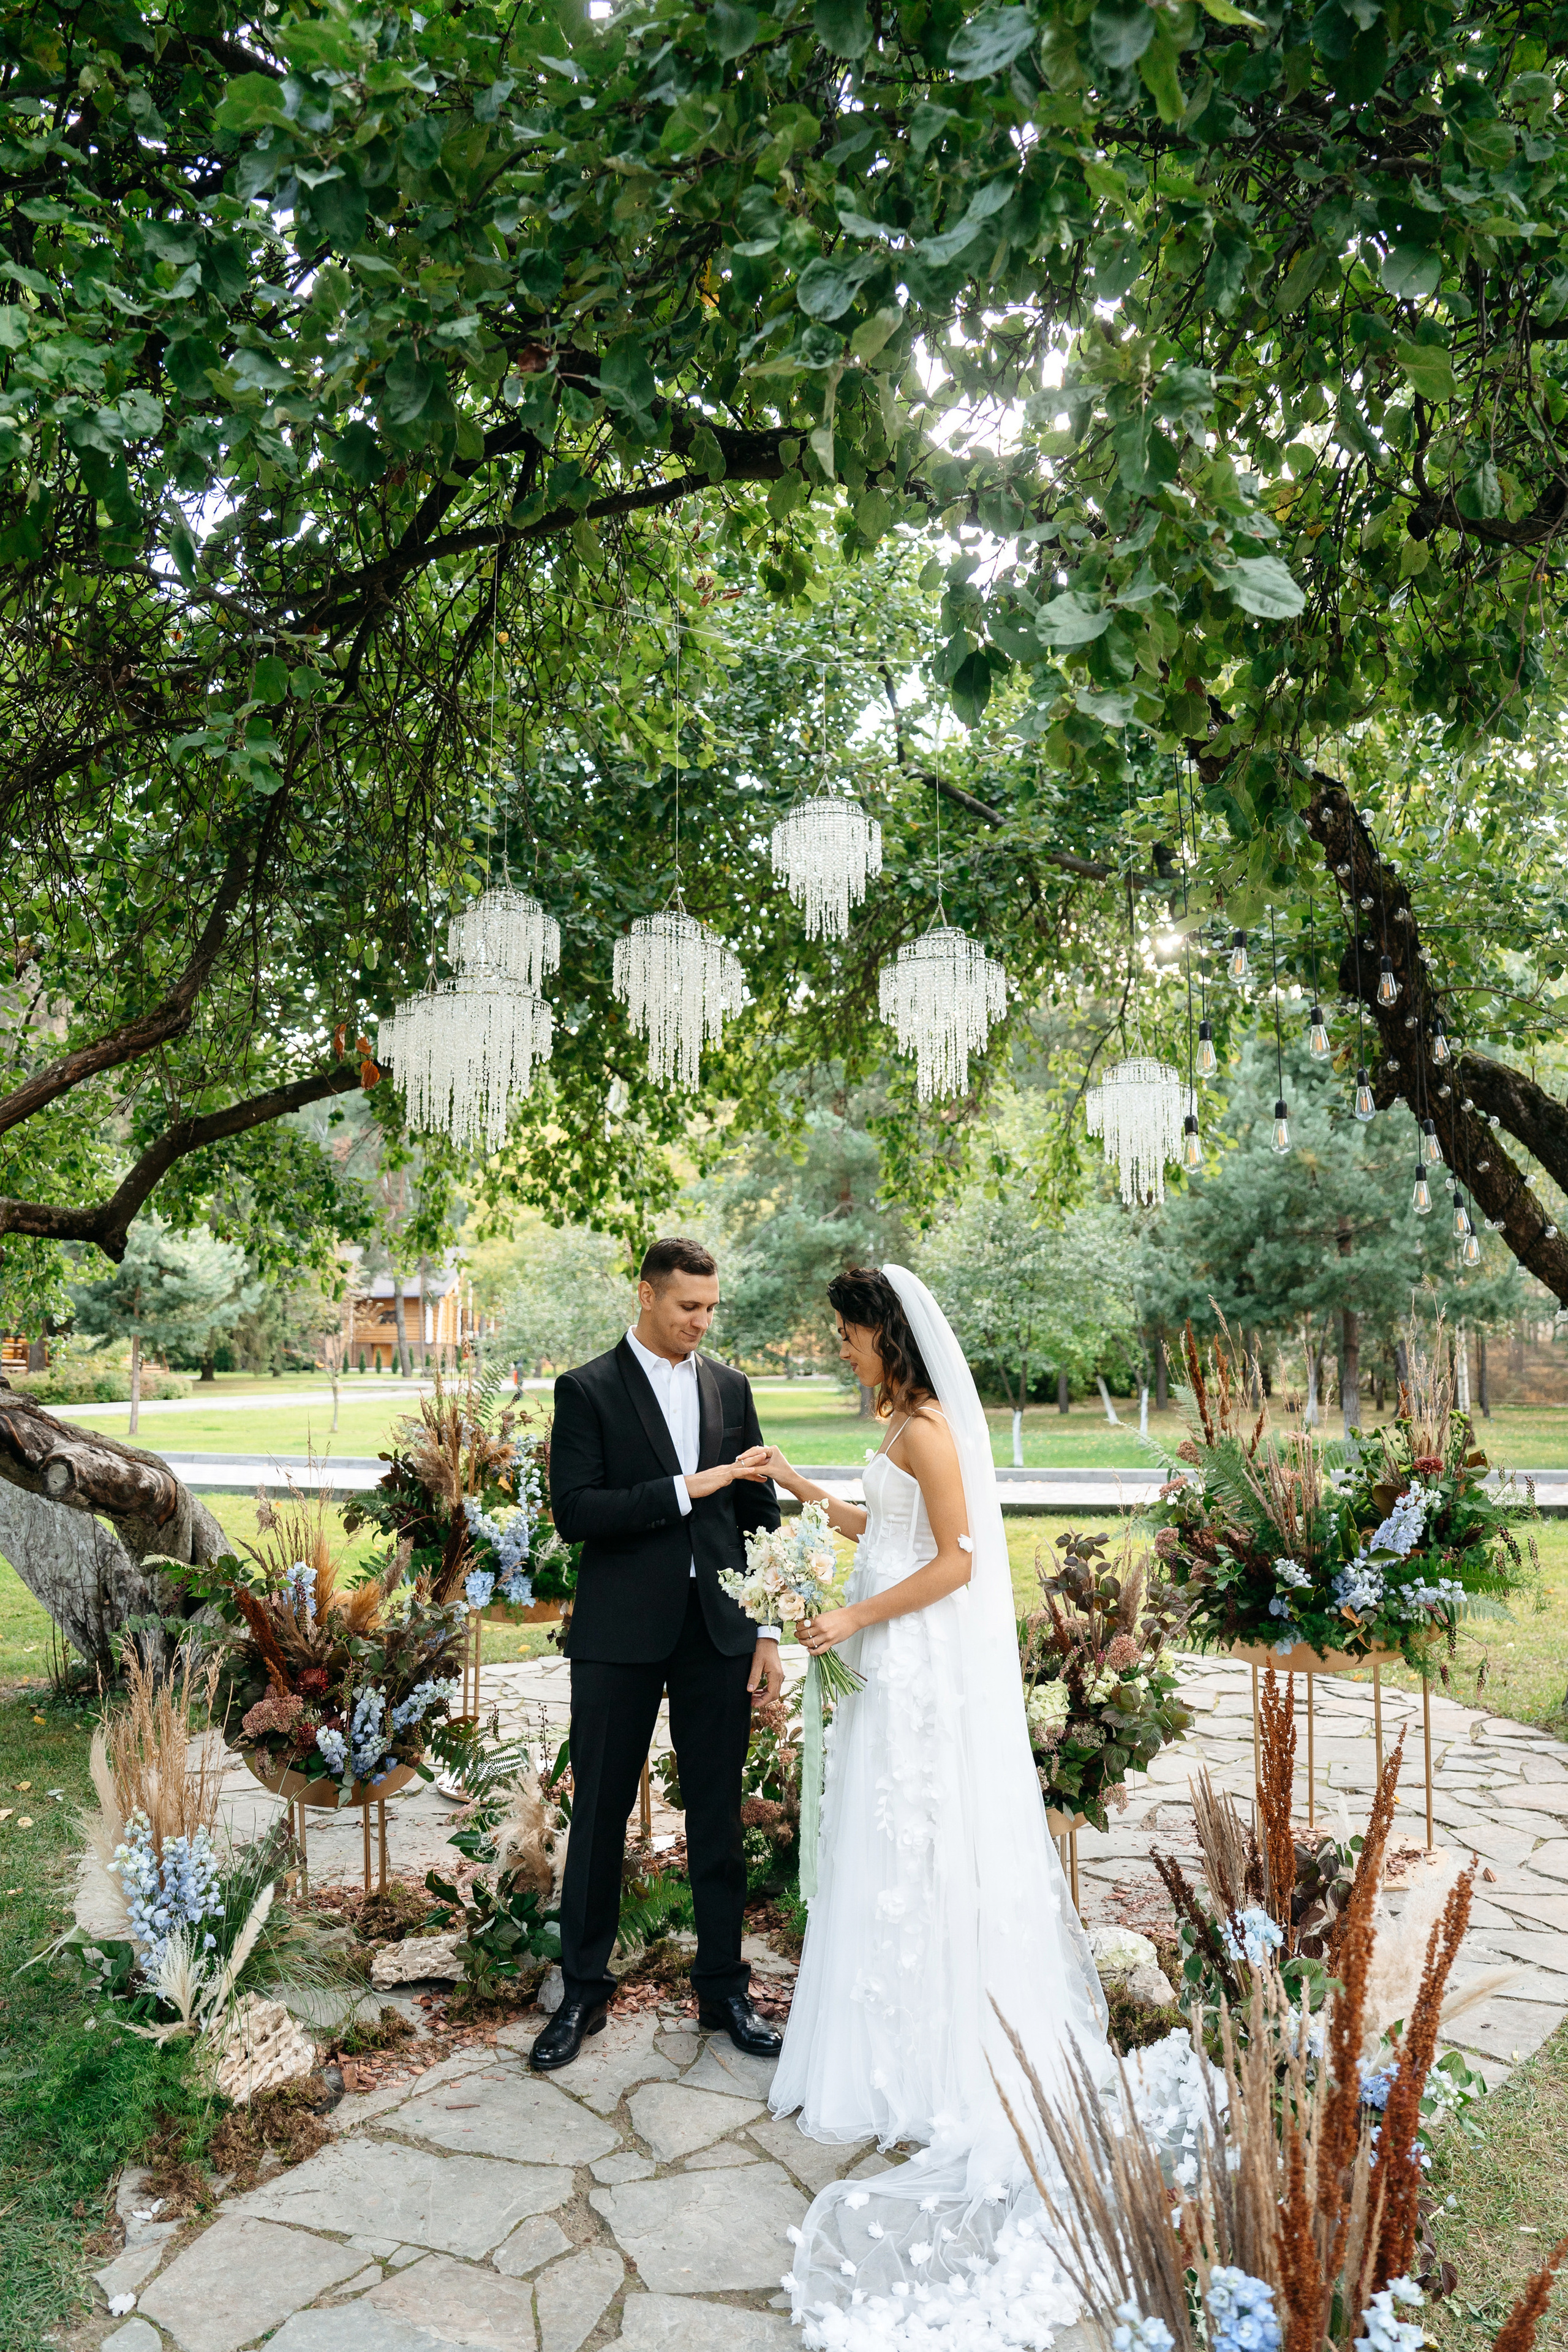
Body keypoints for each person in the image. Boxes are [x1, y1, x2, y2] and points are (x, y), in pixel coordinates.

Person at [740, 1264, 1111, 2348]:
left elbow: (956, 1563)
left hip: (912, 1663)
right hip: (887, 1660)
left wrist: (854, 1624)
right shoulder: (901, 1425)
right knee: (884, 1847)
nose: (841, 1349)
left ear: (886, 1335)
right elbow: (882, 1528)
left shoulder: (935, 1430)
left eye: (848, 1335)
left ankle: (930, 2058)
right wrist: (797, 1483)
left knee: (918, 1843)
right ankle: (883, 2042)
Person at [535, 1235, 785, 2072]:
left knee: (717, 1814)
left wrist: (768, 1630)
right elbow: (576, 1512)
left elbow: (761, 1519)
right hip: (619, 1636)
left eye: (711, 1307)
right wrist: (687, 1488)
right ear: (646, 1294)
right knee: (600, 1813)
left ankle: (724, 1991)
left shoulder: (731, 1388)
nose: (701, 1322)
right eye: (688, 1306)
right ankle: (582, 1993)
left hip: (719, 1631)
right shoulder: (586, 1389)